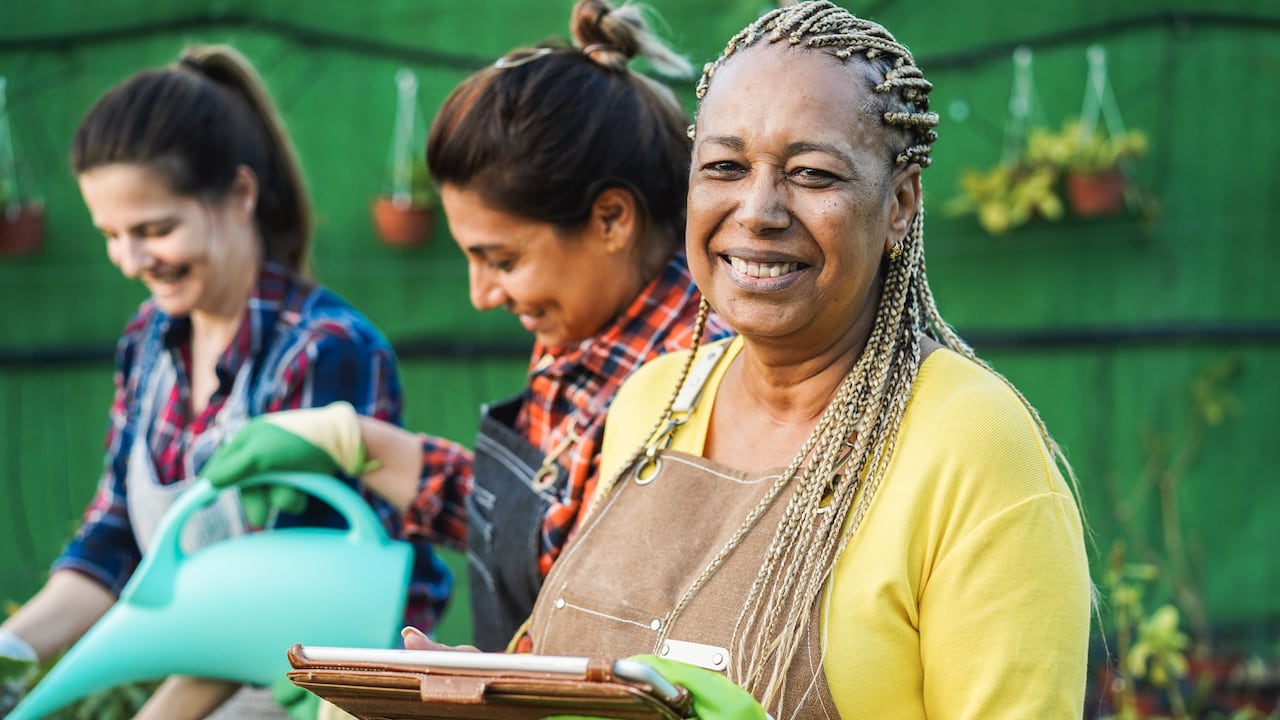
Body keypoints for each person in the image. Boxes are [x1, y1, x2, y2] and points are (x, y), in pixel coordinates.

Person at [419, 3, 1091, 719]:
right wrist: (477, 692)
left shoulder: (973, 446)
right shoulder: (652, 403)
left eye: (812, 174)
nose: (759, 209)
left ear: (899, 203)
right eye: (725, 167)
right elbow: (563, 674)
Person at [198, 0, 733, 657]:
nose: (482, 296)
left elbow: (634, 630)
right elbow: (534, 529)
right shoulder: (588, 340)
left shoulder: (698, 379)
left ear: (612, 220)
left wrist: (483, 683)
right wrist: (351, 443)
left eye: (502, 260)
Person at [0, 45, 450, 719]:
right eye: (112, 234)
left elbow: (286, 603)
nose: (131, 259)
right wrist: (13, 653)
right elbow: (115, 539)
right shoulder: (148, 341)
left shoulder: (323, 350)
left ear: (240, 194)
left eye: (156, 229)